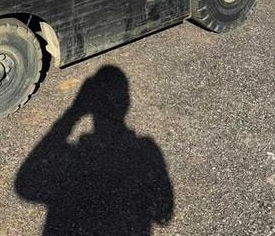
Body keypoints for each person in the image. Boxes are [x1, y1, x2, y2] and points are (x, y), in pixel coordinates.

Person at [15, 66, 173, 236]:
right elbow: (163, 212)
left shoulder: (143, 150)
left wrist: (73, 114)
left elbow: (25, 186)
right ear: (126, 102)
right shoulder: (146, 150)